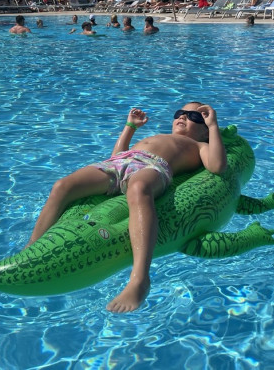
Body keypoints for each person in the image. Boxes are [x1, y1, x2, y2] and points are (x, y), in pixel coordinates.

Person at [26, 102, 226, 312]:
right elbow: (116, 156)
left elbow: (217, 166)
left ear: (204, 131)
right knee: (62, 186)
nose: (183, 117)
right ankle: (32, 246)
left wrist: (213, 126)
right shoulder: (160, 136)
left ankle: (140, 279)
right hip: (120, 163)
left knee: (139, 189)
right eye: (180, 113)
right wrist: (130, 127)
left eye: (194, 117)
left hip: (153, 166)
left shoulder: (199, 145)